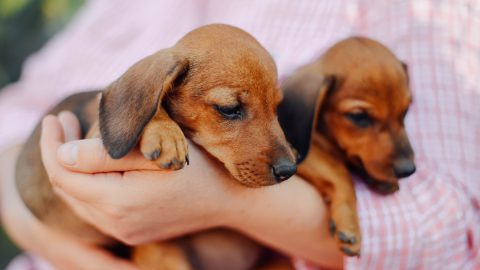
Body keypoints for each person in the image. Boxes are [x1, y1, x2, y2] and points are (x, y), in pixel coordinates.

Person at [1, 1, 479, 269]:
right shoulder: (135, 22)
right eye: (232, 110)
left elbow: (459, 234)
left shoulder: (419, 15)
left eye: (274, 109)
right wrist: (50, 235)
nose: (278, 149)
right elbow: (18, 110)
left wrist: (228, 201)